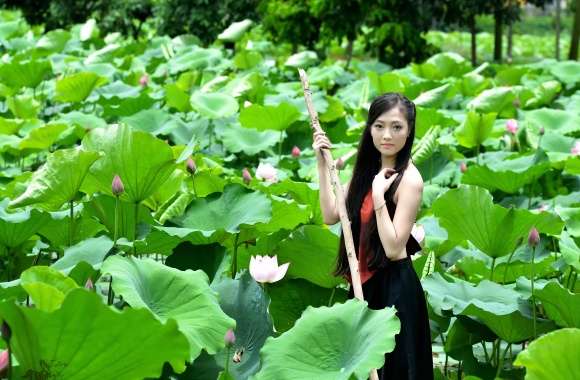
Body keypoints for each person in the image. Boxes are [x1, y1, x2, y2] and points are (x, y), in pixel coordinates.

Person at [313, 93, 434, 379]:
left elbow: (393, 248)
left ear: (409, 130)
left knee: (396, 372)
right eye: (379, 126)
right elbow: (332, 214)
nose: (387, 135)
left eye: (397, 127)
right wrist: (321, 164)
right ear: (369, 129)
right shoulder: (366, 169)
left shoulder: (410, 180)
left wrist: (379, 195)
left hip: (395, 289)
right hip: (363, 284)